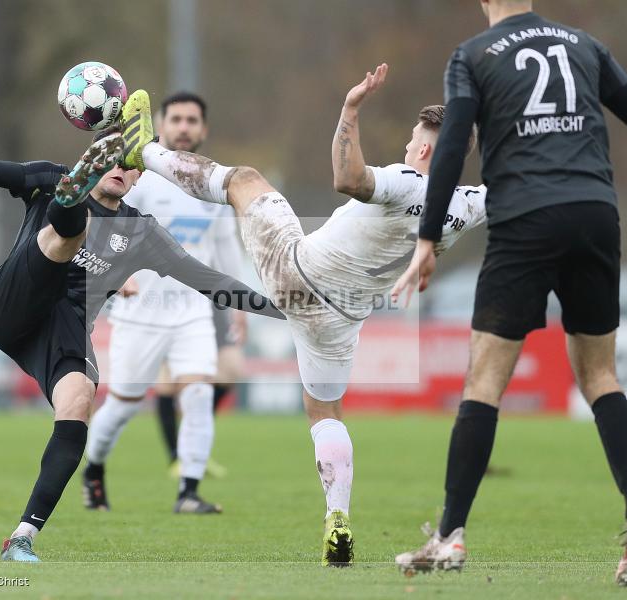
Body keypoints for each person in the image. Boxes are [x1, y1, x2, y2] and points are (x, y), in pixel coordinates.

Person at [117, 65, 487, 566]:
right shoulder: (466, 206)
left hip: (296, 272)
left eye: (411, 141)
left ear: (424, 151)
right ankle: (336, 515)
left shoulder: (404, 180)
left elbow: (348, 178)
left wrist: (351, 108)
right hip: (340, 322)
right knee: (325, 413)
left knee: (242, 180)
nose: (406, 148)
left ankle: (145, 150)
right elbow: (517, 196)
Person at [392, 0, 627, 585]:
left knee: (485, 381)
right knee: (600, 376)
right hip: (594, 212)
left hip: (526, 218)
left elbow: (453, 142)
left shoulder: (474, 55)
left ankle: (450, 537)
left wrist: (426, 237)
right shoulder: (584, 45)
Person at [0, 90, 284, 562]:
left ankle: (22, 538)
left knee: (79, 402)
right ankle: (71, 202)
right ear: (94, 157)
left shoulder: (143, 232)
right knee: (64, 230)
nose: (121, 167)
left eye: (129, 162)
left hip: (64, 326)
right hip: (12, 300)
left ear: (139, 175)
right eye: (109, 157)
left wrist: (288, 307)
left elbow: (210, 280)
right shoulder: (49, 177)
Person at [83, 92, 242, 514]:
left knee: (198, 394)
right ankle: (93, 469)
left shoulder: (213, 185)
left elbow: (225, 252)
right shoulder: (140, 178)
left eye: (193, 120)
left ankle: (188, 492)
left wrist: (238, 306)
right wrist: (119, 277)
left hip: (192, 314)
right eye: (177, 119)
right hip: (140, 315)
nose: (185, 127)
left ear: (203, 129)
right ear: (159, 124)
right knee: (122, 405)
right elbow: (108, 228)